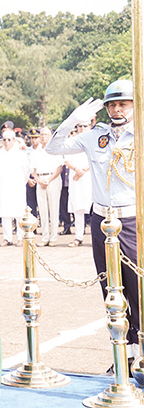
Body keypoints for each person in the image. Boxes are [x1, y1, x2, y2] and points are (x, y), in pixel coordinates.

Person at [45, 79, 140, 363]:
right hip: (101, 220)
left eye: (123, 103)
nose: (117, 109)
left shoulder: (140, 135)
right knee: (111, 290)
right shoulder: (94, 136)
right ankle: (123, 354)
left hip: (132, 220)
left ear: (135, 105)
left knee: (137, 289)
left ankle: (143, 353)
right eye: (112, 104)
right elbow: (54, 148)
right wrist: (73, 120)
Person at [0, 130, 30, 246]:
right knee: (5, 212)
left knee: (19, 213)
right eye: (4, 140)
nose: (6, 142)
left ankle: (20, 237)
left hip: (17, 186)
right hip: (4, 186)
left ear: (14, 140)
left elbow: (26, 171)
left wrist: (20, 183)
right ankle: (7, 238)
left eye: (9, 140)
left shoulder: (20, 154)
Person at [31, 127, 64, 247]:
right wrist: (39, 180)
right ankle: (45, 237)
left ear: (50, 136)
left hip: (52, 179)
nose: (44, 137)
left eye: (46, 134)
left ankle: (53, 237)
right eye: (42, 134)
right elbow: (33, 170)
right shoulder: (36, 152)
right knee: (43, 210)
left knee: (54, 209)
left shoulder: (55, 149)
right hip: (40, 179)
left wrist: (48, 180)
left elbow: (59, 168)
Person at [64, 123, 93, 247]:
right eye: (80, 126)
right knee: (78, 208)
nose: (82, 128)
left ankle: (96, 237)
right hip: (75, 177)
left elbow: (97, 158)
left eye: (85, 126)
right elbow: (66, 160)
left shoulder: (94, 140)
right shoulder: (71, 141)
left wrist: (83, 170)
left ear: (90, 127)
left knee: (94, 209)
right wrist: (77, 169)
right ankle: (78, 237)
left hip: (90, 177)